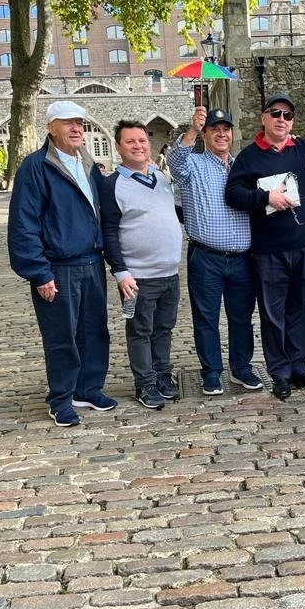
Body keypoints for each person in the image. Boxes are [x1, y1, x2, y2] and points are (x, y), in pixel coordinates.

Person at [7, 101, 116, 427]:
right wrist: (39, 272)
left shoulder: (87, 164)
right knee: (62, 336)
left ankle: (88, 388)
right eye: (68, 122)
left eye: (80, 123)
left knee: (94, 331)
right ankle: (61, 398)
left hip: (91, 262)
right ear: (51, 128)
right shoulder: (37, 167)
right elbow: (24, 224)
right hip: (59, 266)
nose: (76, 128)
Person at [225, 91, 305, 401]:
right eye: (276, 113)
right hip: (268, 249)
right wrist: (265, 198)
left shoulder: (304, 149)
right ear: (264, 118)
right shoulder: (248, 156)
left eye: (288, 115)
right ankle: (279, 371)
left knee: (302, 308)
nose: (282, 119)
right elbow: (233, 194)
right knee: (273, 313)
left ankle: (300, 366)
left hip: (302, 245)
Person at [167, 105, 262, 396]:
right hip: (206, 256)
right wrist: (192, 129)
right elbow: (174, 160)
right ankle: (211, 372)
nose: (221, 134)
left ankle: (241, 368)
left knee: (241, 317)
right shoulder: (193, 165)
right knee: (206, 318)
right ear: (206, 134)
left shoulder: (242, 167)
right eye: (214, 129)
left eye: (226, 129)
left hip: (242, 258)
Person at [100, 120, 183, 409]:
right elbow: (109, 232)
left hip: (169, 273)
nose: (138, 146)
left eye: (142, 140)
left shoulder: (160, 177)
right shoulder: (112, 185)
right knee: (140, 331)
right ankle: (144, 383)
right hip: (138, 278)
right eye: (130, 141)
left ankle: (162, 374)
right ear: (118, 147)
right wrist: (121, 272)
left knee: (164, 328)